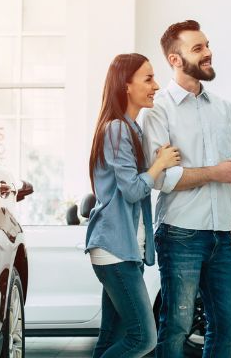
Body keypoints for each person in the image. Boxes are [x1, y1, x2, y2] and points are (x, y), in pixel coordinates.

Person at [142, 20, 231, 358]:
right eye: (198, 48)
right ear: (175, 59)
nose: (208, 53)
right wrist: (215, 172)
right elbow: (162, 178)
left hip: (222, 234)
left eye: (207, 45)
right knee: (176, 324)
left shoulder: (223, 108)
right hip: (180, 233)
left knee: (227, 324)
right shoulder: (157, 110)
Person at [85, 53, 181, 358]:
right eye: (148, 78)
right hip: (114, 249)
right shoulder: (117, 129)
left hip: (124, 248)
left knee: (111, 338)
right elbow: (131, 190)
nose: (156, 86)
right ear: (126, 85)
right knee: (143, 338)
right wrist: (160, 164)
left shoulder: (131, 128)